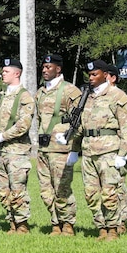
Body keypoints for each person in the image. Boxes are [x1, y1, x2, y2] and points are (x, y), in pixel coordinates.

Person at [61, 60, 127, 241]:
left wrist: (123, 154)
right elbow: (81, 127)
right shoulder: (87, 98)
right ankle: (101, 227)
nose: (91, 78)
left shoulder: (118, 96)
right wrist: (71, 145)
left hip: (109, 152)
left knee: (109, 193)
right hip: (88, 151)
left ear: (105, 75)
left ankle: (113, 229)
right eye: (90, 75)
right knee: (91, 194)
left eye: (95, 74)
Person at [0, 58, 35, 234]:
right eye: (2, 72)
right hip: (2, 150)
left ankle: (22, 225)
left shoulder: (24, 96)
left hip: (17, 150)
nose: (3, 74)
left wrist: (2, 136)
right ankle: (12, 221)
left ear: (17, 73)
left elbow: (23, 124)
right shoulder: (1, 93)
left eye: (6, 71)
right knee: (4, 190)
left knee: (17, 189)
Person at [35, 54, 82, 236]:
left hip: (61, 149)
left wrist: (74, 147)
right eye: (44, 67)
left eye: (49, 67)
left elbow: (79, 121)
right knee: (46, 190)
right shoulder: (40, 93)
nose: (45, 70)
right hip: (43, 148)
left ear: (58, 69)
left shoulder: (70, 91)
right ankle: (55, 223)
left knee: (62, 188)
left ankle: (68, 224)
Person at [106, 65, 127, 234]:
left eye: (105, 76)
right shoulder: (98, 97)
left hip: (118, 147)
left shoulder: (120, 97)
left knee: (118, 185)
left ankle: (122, 220)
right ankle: (108, 220)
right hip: (102, 149)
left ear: (113, 78)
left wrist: (125, 151)